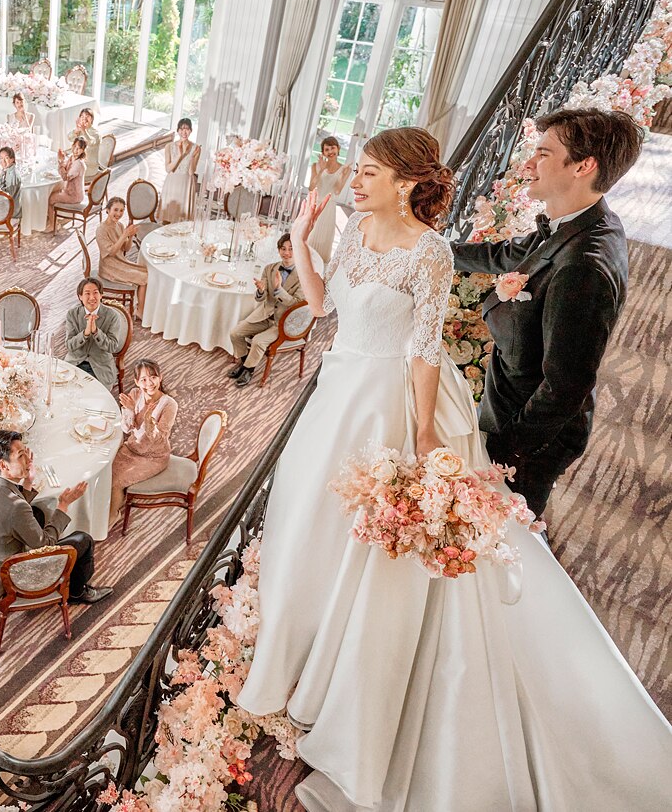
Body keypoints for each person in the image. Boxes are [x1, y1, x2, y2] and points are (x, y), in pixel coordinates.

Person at [235, 126, 672, 811]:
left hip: (384, 407)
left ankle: (341, 681)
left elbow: (422, 352)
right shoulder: (355, 231)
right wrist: (300, 238)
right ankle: (299, 654)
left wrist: (420, 439)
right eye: (359, 169)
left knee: (365, 550)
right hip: (334, 397)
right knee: (304, 526)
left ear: (406, 183)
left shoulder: (432, 253)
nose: (356, 180)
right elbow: (323, 309)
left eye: (369, 171)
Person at [452, 108, 643, 519]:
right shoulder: (579, 221)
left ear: (584, 166)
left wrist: (503, 453)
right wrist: (431, 250)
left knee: (502, 531)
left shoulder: (584, 267)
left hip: (527, 438)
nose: (528, 164)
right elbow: (510, 254)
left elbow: (565, 386)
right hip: (510, 405)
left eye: (542, 154)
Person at [0, 429, 113, 604]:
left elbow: (9, 511)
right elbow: (47, 544)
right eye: (21, 456)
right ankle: (77, 592)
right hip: (11, 576)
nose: (28, 460)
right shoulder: (17, 508)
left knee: (37, 513)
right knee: (84, 540)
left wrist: (28, 481)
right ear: (4, 465)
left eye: (26, 452)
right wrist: (63, 505)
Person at [227, 232, 304, 388]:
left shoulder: (303, 276)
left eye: (291, 249)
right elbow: (260, 299)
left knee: (258, 341)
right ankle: (244, 364)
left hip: (283, 322)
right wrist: (261, 291)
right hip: (264, 315)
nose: (287, 253)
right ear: (279, 250)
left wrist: (279, 289)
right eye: (283, 248)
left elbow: (296, 304)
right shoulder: (269, 269)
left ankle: (249, 370)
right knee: (235, 333)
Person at [109, 360, 178, 524]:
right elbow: (126, 429)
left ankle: (112, 515)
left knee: (116, 482)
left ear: (160, 377)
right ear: (136, 382)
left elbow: (160, 439)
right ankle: (108, 503)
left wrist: (148, 422)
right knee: (105, 471)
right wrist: (130, 410)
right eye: (144, 379)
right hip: (131, 448)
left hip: (153, 457)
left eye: (153, 377)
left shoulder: (169, 404)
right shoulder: (135, 394)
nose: (149, 383)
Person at [64, 277, 123, 391]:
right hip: (75, 363)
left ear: (101, 295)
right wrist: (85, 333)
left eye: (95, 293)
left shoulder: (113, 316)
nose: (92, 297)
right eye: (87, 293)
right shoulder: (72, 314)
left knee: (94, 396)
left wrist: (96, 332)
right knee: (65, 393)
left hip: (101, 367)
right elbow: (69, 345)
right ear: (80, 297)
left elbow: (112, 347)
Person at [95, 197, 148, 317]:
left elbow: (126, 249)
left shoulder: (119, 225)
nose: (119, 213)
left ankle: (141, 306)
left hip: (120, 263)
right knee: (144, 277)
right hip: (109, 268)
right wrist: (125, 235)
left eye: (121, 210)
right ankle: (140, 311)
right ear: (108, 210)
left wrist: (131, 236)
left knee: (147, 271)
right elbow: (112, 253)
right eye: (115, 210)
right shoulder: (101, 230)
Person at [307, 135, 351, 262]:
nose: (330, 151)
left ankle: (319, 266)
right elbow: (311, 187)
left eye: (333, 148)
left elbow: (337, 191)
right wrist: (321, 170)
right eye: (327, 149)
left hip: (329, 207)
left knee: (323, 239)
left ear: (338, 149)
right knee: (310, 235)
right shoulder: (316, 166)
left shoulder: (345, 169)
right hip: (315, 204)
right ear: (323, 153)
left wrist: (342, 176)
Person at [160, 118, 201, 223]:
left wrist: (192, 157)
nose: (184, 132)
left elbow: (191, 172)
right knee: (167, 218)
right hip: (172, 183)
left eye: (187, 129)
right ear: (178, 130)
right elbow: (168, 169)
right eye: (182, 129)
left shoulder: (196, 148)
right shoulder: (169, 146)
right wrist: (180, 155)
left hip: (186, 184)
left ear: (191, 131)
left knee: (182, 219)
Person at [49, 136, 86, 232]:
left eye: (79, 148)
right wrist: (62, 160)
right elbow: (65, 168)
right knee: (53, 192)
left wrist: (61, 161)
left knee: (50, 198)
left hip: (74, 196)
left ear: (82, 150)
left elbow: (65, 177)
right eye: (75, 147)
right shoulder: (72, 158)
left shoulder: (78, 164)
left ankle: (53, 226)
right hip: (69, 191)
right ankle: (54, 222)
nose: (76, 150)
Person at [66, 107, 100, 179]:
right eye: (82, 116)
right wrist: (76, 130)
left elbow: (90, 142)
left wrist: (84, 131)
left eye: (87, 116)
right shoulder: (80, 130)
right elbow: (69, 138)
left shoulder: (96, 133)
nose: (84, 118)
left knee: (65, 171)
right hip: (78, 162)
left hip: (90, 167)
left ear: (92, 119)